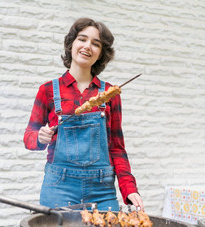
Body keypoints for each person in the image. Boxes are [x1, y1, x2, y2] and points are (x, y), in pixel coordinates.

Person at [23, 18, 144, 211]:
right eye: (82, 39)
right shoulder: (47, 90)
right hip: (58, 188)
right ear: (71, 44)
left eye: (96, 44)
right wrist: (39, 137)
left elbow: (117, 148)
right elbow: (29, 137)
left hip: (102, 191)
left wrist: (129, 189)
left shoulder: (110, 93)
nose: (88, 46)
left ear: (101, 54)